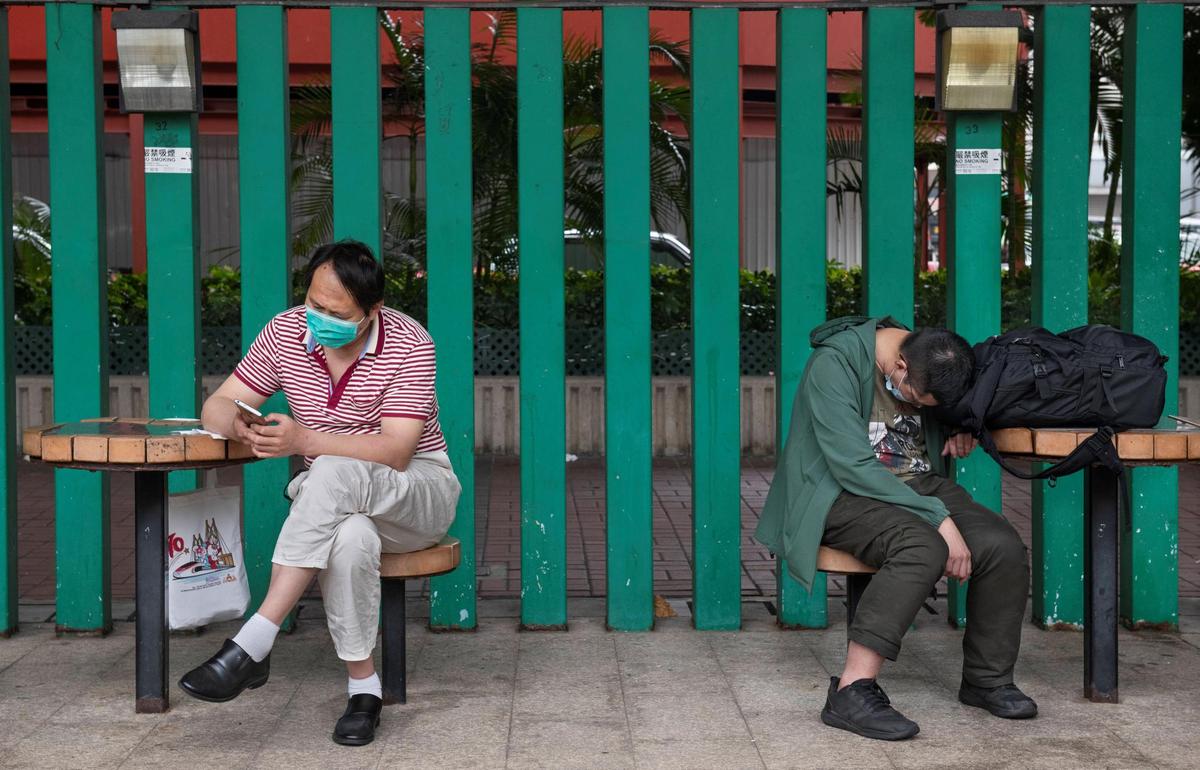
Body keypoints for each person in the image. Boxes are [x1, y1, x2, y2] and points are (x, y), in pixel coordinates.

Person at [178, 240, 461, 747]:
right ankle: (364, 690)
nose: (318, 318)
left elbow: (397, 451)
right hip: (338, 505)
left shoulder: (410, 341)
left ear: (373, 311)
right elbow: (216, 407)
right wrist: (246, 428)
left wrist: (303, 440)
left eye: (335, 312)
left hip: (417, 492)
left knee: (328, 468)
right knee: (350, 537)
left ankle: (255, 640)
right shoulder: (287, 331)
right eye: (313, 303)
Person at [755, 316, 1036, 741]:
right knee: (921, 545)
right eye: (917, 399)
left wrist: (963, 427)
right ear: (900, 366)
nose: (920, 407)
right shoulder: (835, 364)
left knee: (1002, 545)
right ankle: (851, 691)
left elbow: (946, 407)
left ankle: (986, 679)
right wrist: (936, 516)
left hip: (915, 484)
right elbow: (851, 465)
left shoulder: (928, 358)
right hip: (838, 492)